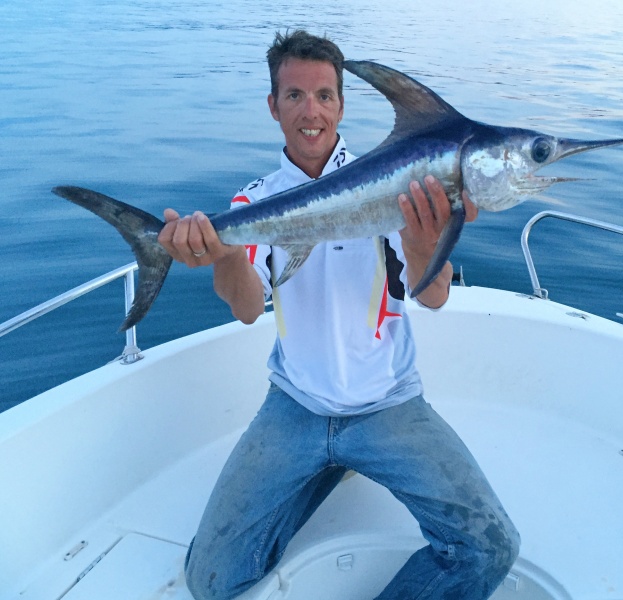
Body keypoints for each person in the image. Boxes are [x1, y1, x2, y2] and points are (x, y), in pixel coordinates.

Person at [158, 30, 519, 600]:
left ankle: (333, 463)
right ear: (273, 107)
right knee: (210, 580)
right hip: (295, 405)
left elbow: (435, 297)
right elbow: (250, 307)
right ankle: (325, 464)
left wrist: (426, 244)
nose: (311, 110)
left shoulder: (408, 183)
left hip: (390, 404)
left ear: (342, 105)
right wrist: (224, 254)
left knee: (492, 547)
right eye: (295, 95)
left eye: (325, 95)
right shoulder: (254, 202)